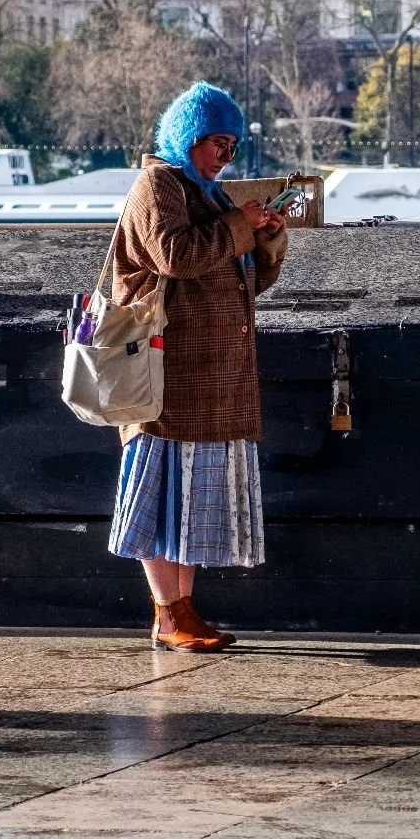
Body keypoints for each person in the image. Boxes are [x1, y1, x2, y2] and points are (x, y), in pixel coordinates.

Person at [107, 82, 288, 652]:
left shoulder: (202, 192)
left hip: (203, 379)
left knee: (187, 505)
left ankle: (181, 612)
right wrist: (239, 226)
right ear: (188, 137)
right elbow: (176, 256)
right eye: (215, 142)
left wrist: (265, 243)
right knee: (160, 499)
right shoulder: (158, 184)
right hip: (165, 377)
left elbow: (245, 283)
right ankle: (169, 613)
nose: (224, 156)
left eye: (232, 147)